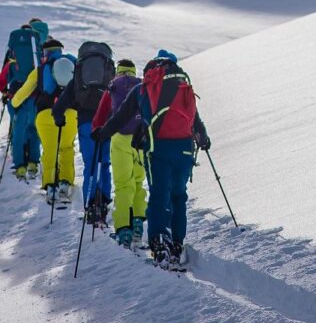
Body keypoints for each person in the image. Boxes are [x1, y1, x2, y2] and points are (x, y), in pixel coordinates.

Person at [104, 49, 209, 267]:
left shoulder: (144, 88)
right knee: (179, 196)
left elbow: (121, 117)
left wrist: (102, 133)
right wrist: (204, 139)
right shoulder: (184, 86)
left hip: (157, 149)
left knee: (159, 196)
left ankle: (159, 242)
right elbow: (196, 121)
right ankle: (177, 243)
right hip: (184, 151)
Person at [12, 38, 77, 207]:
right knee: (66, 148)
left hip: (45, 114)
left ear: (45, 53)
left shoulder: (40, 71)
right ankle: (65, 183)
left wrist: (14, 103)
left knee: (49, 150)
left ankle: (50, 185)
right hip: (70, 114)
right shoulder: (73, 66)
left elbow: (23, 92)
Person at [91, 58, 148, 247]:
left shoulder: (113, 86)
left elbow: (100, 115)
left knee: (124, 184)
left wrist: (98, 131)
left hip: (120, 139)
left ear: (118, 71)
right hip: (140, 140)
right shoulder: (142, 85)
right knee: (138, 182)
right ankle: (139, 222)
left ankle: (124, 229)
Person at [61, 41, 117, 225]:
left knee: (90, 164)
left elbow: (65, 100)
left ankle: (91, 203)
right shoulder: (108, 69)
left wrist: (59, 115)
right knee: (104, 162)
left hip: (86, 121)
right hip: (106, 123)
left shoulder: (79, 72)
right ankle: (104, 201)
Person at [1, 22, 44, 180]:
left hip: (16, 94)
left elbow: (4, 75)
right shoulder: (37, 48)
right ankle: (33, 161)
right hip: (35, 94)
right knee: (33, 128)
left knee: (18, 129)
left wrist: (1, 88)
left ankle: (20, 166)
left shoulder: (13, 50)